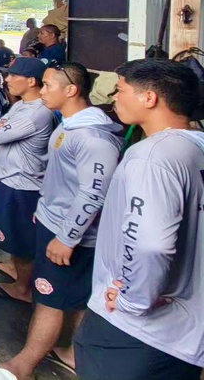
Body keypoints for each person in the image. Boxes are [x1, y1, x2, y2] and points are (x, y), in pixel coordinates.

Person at [73, 59, 204, 380]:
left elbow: (150, 245)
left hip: (137, 332)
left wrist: (133, 300)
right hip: (185, 332)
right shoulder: (196, 146)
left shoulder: (152, 157)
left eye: (121, 90)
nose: (114, 98)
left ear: (150, 98)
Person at [0, 62, 124, 380]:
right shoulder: (68, 125)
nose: (41, 92)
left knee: (49, 298)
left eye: (47, 86)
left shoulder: (93, 137)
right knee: (72, 296)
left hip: (72, 233)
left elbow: (94, 193)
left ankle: (23, 365)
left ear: (71, 90)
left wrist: (68, 236)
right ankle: (73, 354)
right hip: (57, 222)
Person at [0, 57, 57, 304]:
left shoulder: (36, 113)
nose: (6, 80)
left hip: (23, 186)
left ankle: (23, 288)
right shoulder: (21, 105)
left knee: (23, 241)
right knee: (13, 237)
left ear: (31, 81)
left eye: (13, 76)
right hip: (10, 180)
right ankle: (16, 270)